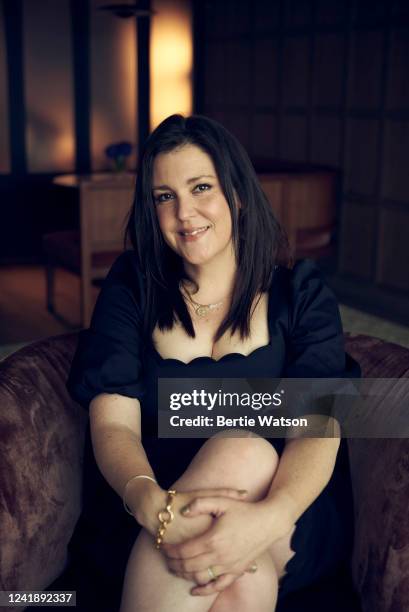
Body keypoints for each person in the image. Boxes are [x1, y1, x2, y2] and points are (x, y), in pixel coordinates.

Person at [60, 114, 360, 611]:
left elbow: (318, 427)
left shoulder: (301, 293)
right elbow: (114, 425)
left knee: (246, 451)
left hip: (283, 505)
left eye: (201, 187)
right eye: (164, 196)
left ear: (238, 194)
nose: (184, 213)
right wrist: (150, 501)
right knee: (245, 575)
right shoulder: (132, 286)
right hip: (159, 502)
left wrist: (271, 517)